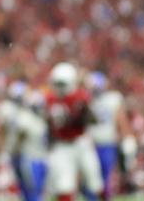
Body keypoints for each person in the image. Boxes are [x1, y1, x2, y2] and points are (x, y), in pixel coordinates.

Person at [44, 63, 102, 201]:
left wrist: (85, 110)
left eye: (62, 83)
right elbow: (54, 124)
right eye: (57, 83)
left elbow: (94, 120)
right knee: (63, 184)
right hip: (61, 144)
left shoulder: (81, 96)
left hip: (81, 141)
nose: (60, 87)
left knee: (93, 180)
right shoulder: (50, 99)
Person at [85, 72, 127, 201]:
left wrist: (126, 138)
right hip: (90, 144)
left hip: (108, 143)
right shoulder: (86, 100)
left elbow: (121, 120)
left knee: (105, 176)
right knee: (91, 176)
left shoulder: (113, 98)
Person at [16, 90, 49, 201]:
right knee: (31, 189)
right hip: (30, 158)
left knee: (41, 190)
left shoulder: (44, 119)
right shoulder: (26, 118)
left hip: (43, 157)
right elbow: (20, 137)